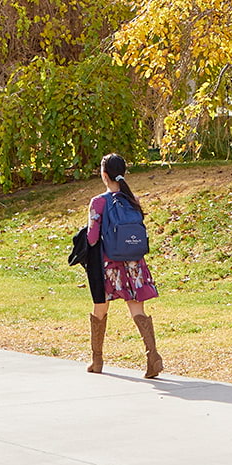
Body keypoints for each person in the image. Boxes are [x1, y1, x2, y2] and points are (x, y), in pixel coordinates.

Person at [82, 152, 164, 379]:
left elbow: (91, 238)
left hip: (109, 266)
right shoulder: (132, 199)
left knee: (101, 308)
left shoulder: (98, 202)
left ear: (104, 175)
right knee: (137, 309)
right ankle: (153, 357)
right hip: (134, 263)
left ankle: (97, 360)